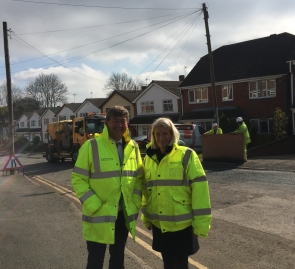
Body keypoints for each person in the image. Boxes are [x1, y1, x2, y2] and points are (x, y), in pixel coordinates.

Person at [71, 106, 144, 269]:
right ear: (107, 122)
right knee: (95, 260)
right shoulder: (91, 146)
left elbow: (139, 177)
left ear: (128, 123)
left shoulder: (133, 146)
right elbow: (78, 179)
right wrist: (95, 206)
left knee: (118, 259)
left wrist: (135, 201)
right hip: (99, 214)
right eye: (115, 121)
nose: (119, 125)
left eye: (123, 121)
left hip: (122, 215)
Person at [141, 117, 212, 269]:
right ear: (153, 136)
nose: (161, 138)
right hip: (160, 225)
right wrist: (147, 218)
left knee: (180, 264)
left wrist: (201, 225)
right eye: (157, 134)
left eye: (165, 133)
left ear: (172, 134)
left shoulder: (187, 155)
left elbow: (200, 190)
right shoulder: (149, 158)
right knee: (167, 263)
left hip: (182, 226)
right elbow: (146, 191)